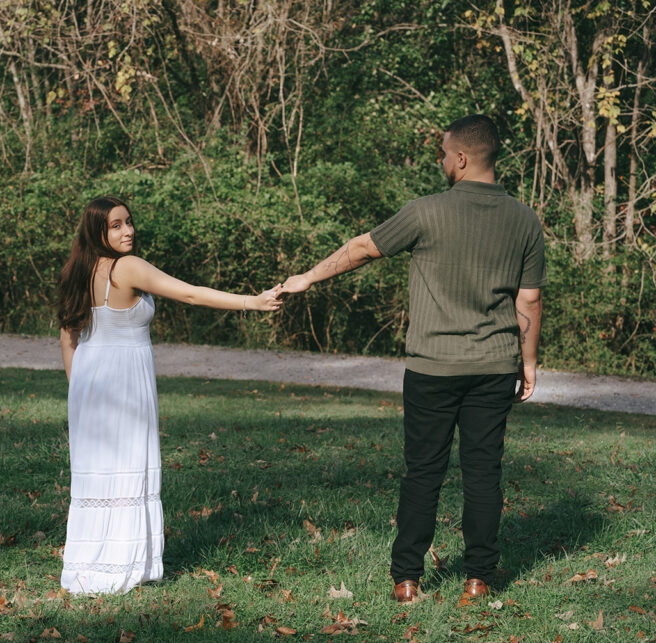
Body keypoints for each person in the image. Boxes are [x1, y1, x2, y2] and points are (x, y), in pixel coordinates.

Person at [281, 114, 545, 603]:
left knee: (424, 471)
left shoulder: (425, 211)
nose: (442, 161)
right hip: (494, 366)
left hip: (431, 367)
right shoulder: (525, 220)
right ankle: (478, 579)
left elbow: (363, 248)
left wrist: (307, 278)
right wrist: (528, 362)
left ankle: (407, 581)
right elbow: (528, 300)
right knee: (484, 472)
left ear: (462, 158)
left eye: (444, 153)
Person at [56, 196, 283, 594]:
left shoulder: (80, 269)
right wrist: (252, 302)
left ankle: (93, 565)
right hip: (124, 380)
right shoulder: (128, 267)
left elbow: (67, 336)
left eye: (128, 222)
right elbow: (191, 294)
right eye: (115, 226)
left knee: (101, 477)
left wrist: (78, 391)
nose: (127, 231)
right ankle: (120, 566)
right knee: (126, 470)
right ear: (97, 231)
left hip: (89, 381)